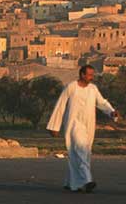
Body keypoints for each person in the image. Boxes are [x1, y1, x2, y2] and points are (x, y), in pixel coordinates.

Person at [47, 65, 119, 193]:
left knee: (81, 153)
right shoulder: (71, 87)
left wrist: (111, 112)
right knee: (81, 150)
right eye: (89, 75)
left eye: (92, 75)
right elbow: (60, 105)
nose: (92, 77)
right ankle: (87, 180)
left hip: (88, 124)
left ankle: (70, 182)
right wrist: (54, 126)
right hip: (74, 124)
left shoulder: (93, 89)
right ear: (82, 75)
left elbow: (101, 102)